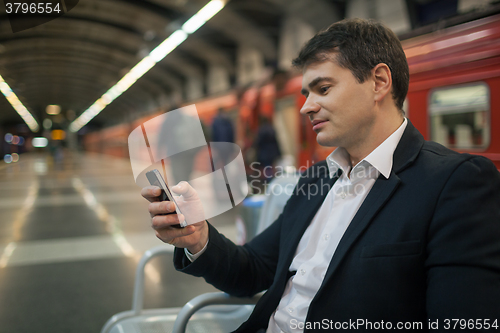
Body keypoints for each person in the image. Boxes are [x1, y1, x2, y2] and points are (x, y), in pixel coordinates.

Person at [142, 18, 500, 332]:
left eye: (323, 89)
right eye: (305, 92)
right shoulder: (315, 180)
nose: (305, 106)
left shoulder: (455, 184)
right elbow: (252, 271)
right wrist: (197, 236)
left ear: (378, 82)